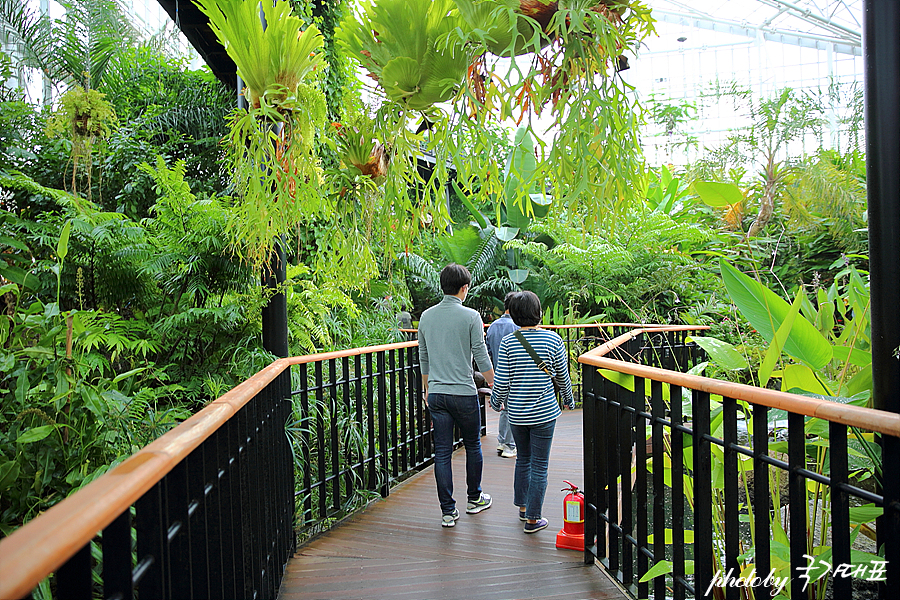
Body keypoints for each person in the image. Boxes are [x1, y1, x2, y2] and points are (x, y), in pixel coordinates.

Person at [489, 291, 575, 533]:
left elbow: (502, 381)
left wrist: (496, 404)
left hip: (516, 414)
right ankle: (533, 519)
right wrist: (568, 399)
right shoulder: (554, 340)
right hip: (545, 414)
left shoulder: (508, 342)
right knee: (540, 465)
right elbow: (562, 376)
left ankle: (524, 508)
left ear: (514, 315)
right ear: (539, 313)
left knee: (523, 460)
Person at [418, 264, 495, 528]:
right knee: (472, 444)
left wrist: (427, 390)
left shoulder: (426, 317)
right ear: (464, 288)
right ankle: (474, 499)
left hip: (437, 394)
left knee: (442, 452)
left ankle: (448, 512)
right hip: (463, 392)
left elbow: (424, 357)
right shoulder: (471, 316)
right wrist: (495, 385)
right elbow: (481, 355)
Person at [485, 292, 520, 458]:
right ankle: (509, 445)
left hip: (498, 373)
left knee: (505, 408)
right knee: (513, 408)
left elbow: (488, 351)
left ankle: (502, 441)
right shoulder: (518, 327)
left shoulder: (493, 326)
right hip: (515, 374)